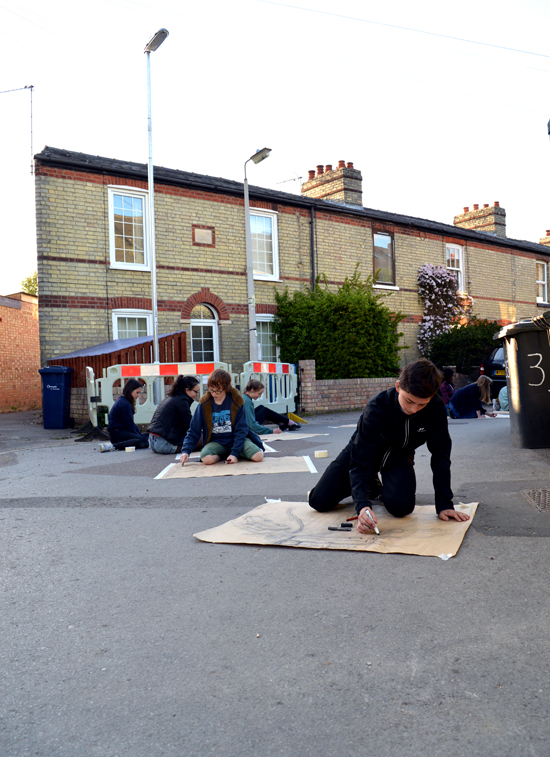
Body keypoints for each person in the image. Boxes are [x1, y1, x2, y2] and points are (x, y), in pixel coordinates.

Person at [308, 359, 470, 534]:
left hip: (398, 457)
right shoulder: (377, 407)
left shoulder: (435, 408)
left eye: (422, 404)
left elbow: (441, 455)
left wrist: (444, 504)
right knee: (319, 501)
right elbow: (360, 460)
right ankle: (370, 483)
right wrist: (362, 506)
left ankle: (374, 486)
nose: (414, 409)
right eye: (409, 401)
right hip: (362, 454)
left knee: (402, 508)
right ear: (398, 386)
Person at [180, 369, 264, 466]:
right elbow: (194, 430)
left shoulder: (236, 401)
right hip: (216, 442)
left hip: (236, 440)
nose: (214, 394)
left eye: (218, 391)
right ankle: (223, 455)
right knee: (206, 459)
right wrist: (186, 451)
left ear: (226, 388)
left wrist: (235, 453)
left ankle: (236, 453)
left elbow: (242, 429)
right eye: (211, 390)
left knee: (258, 456)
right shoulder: (204, 404)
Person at [148, 375, 200, 454]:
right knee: (203, 438)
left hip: (152, 441)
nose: (197, 394)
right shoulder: (182, 401)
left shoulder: (171, 397)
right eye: (195, 391)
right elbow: (189, 426)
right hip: (164, 444)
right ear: (187, 390)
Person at [100, 378, 150, 452]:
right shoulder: (124, 404)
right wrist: (141, 437)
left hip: (120, 432)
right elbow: (129, 426)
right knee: (144, 442)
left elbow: (131, 425)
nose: (138, 395)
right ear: (130, 391)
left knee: (147, 435)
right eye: (137, 392)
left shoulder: (124, 401)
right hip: (117, 434)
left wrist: (141, 435)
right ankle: (114, 446)